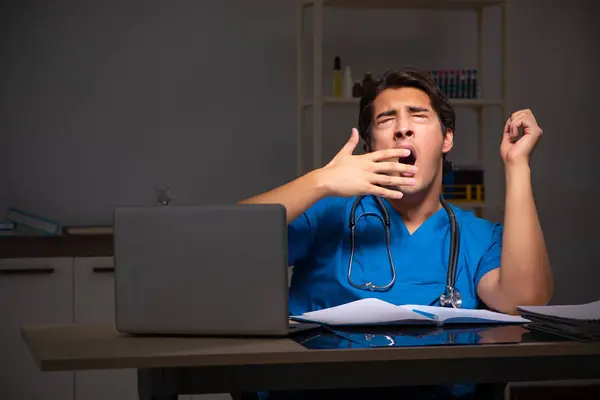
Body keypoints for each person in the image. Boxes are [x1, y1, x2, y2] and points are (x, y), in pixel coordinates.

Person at [239, 67, 553, 399]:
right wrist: (320, 182)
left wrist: (517, 165)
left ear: (447, 138)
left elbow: (525, 300)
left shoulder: (477, 237)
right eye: (386, 121)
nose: (403, 129)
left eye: (418, 116)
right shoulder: (327, 212)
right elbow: (227, 240)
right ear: (370, 145)